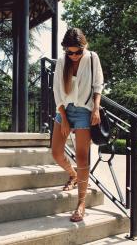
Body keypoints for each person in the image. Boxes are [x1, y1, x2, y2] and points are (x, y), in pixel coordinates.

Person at [52, 28, 104, 222]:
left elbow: (98, 85)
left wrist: (96, 108)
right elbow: (57, 90)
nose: (73, 56)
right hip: (64, 110)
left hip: (84, 111)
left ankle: (81, 204)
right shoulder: (61, 62)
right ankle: (73, 175)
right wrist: (63, 117)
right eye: (69, 52)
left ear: (85, 47)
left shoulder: (92, 58)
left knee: (82, 158)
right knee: (56, 153)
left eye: (77, 52)